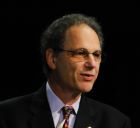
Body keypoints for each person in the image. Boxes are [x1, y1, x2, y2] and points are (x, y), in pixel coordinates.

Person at [0, 13, 131, 128]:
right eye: (81, 53)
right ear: (52, 59)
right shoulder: (7, 116)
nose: (92, 64)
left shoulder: (116, 123)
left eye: (96, 55)